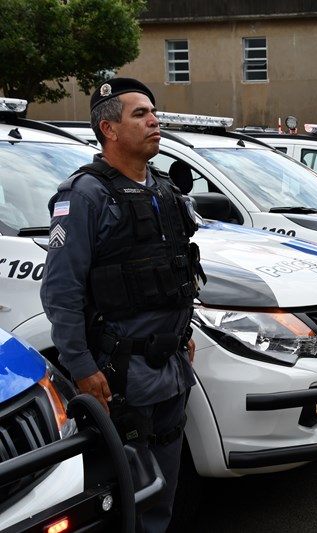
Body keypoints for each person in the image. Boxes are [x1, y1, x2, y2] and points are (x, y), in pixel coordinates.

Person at [40, 78, 203, 533]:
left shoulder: (164, 188)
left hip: (170, 366)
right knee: (125, 495)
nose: (155, 120)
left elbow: (175, 272)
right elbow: (61, 290)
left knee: (164, 489)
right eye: (140, 114)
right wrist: (81, 365)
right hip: (121, 375)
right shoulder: (85, 195)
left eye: (154, 112)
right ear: (108, 129)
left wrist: (182, 337)